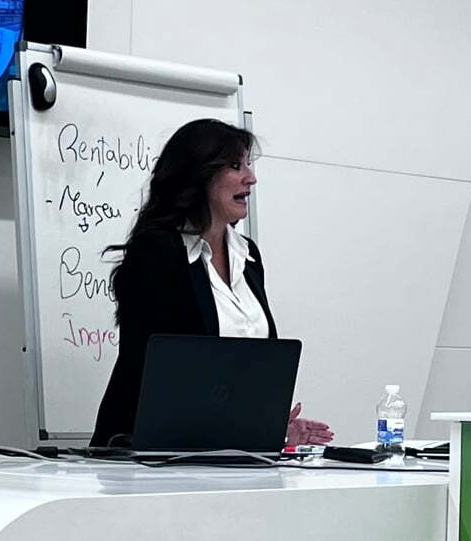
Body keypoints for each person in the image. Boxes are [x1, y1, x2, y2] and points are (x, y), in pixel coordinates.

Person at [91, 119, 333, 450]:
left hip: (226, 456)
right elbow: (157, 375)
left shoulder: (248, 256)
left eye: (248, 164)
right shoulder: (157, 253)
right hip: (154, 457)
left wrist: (270, 426)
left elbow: (237, 375)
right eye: (235, 166)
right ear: (198, 175)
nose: (251, 177)